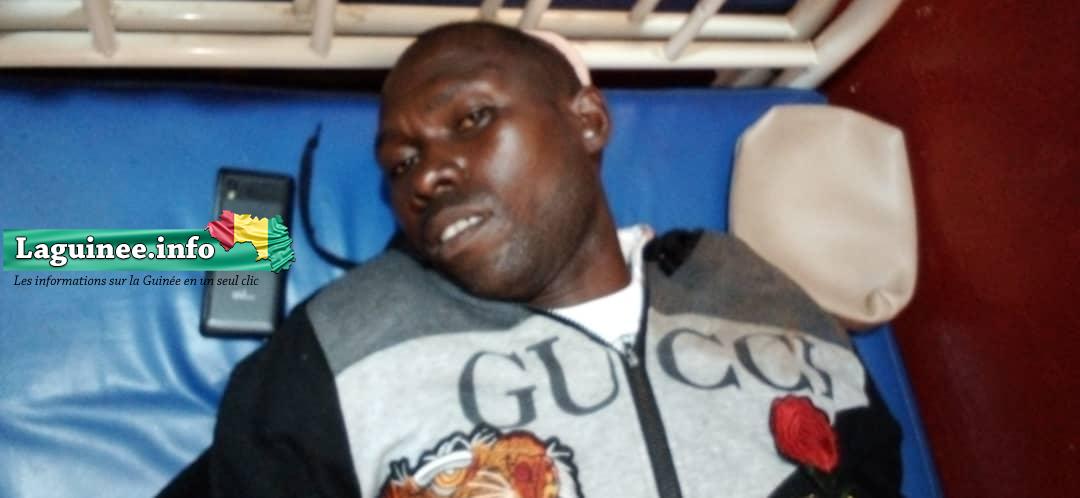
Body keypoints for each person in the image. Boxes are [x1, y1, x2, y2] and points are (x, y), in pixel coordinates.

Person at [161, 21, 901, 498]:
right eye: (401, 163)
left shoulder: (749, 288)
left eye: (472, 119)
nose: (425, 176)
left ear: (588, 121)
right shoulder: (341, 347)